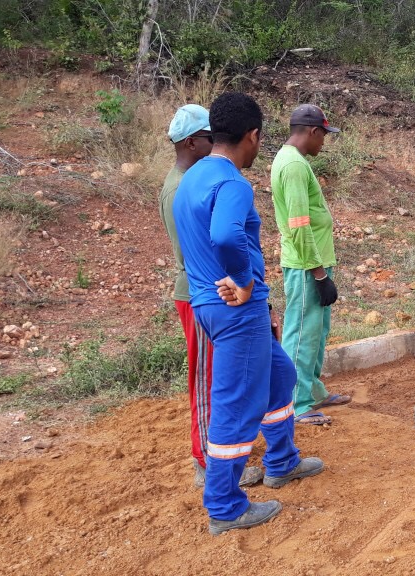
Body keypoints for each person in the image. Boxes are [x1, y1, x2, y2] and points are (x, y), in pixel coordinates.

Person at [173, 92, 323, 536]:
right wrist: (243, 279)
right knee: (236, 405)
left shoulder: (193, 177)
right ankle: (224, 506)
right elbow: (224, 236)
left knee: (280, 376)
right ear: (252, 136)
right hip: (236, 309)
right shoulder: (232, 183)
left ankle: (281, 461)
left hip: (209, 304)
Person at [158, 104, 265, 490]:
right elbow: (204, 245)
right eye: (208, 137)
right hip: (206, 293)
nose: (213, 143)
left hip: (210, 291)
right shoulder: (183, 186)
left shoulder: (195, 179)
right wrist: (242, 280)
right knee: (208, 384)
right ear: (192, 141)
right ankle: (208, 464)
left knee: (228, 380)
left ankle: (220, 461)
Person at [270, 104, 350, 426]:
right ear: (313, 132)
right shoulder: (292, 166)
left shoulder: (295, 162)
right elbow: (299, 224)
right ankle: (296, 404)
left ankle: (313, 390)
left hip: (314, 264)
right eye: (324, 136)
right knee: (301, 335)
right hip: (306, 268)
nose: (324, 143)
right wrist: (318, 273)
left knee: (316, 333)